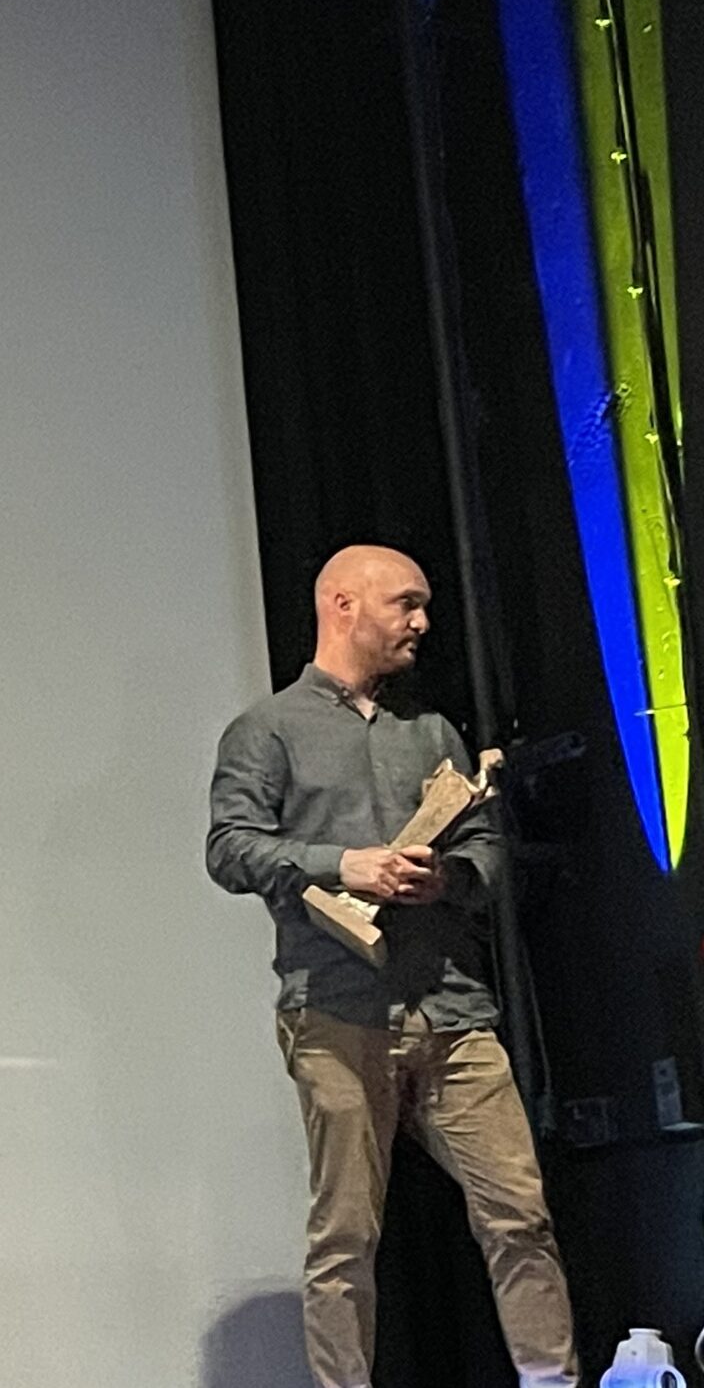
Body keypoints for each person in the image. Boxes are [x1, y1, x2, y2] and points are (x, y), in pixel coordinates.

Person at [207, 544, 576, 1388]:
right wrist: (345, 864)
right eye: (405, 603)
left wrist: (450, 877)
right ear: (342, 604)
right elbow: (229, 847)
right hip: (336, 1010)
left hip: (452, 1010)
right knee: (345, 1235)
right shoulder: (268, 730)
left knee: (519, 1214)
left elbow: (487, 852)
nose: (422, 622)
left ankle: (552, 1380)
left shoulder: (432, 733)